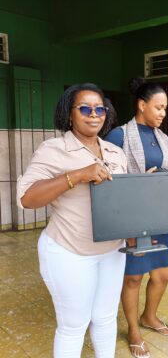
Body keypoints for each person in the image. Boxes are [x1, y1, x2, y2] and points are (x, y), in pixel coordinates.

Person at [17, 83, 128, 358]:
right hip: (69, 252)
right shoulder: (53, 149)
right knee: (73, 325)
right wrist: (76, 175)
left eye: (100, 108)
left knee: (105, 318)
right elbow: (27, 199)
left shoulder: (115, 152)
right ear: (70, 114)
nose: (94, 114)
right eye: (85, 108)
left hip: (113, 250)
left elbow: (122, 199)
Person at [105, 77, 168, 358]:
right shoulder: (118, 136)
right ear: (141, 105)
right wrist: (138, 183)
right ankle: (133, 329)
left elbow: (165, 175)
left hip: (161, 215)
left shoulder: (163, 138)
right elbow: (107, 183)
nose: (162, 113)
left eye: (165, 109)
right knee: (133, 278)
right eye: (158, 107)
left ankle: (150, 316)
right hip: (133, 217)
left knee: (163, 274)